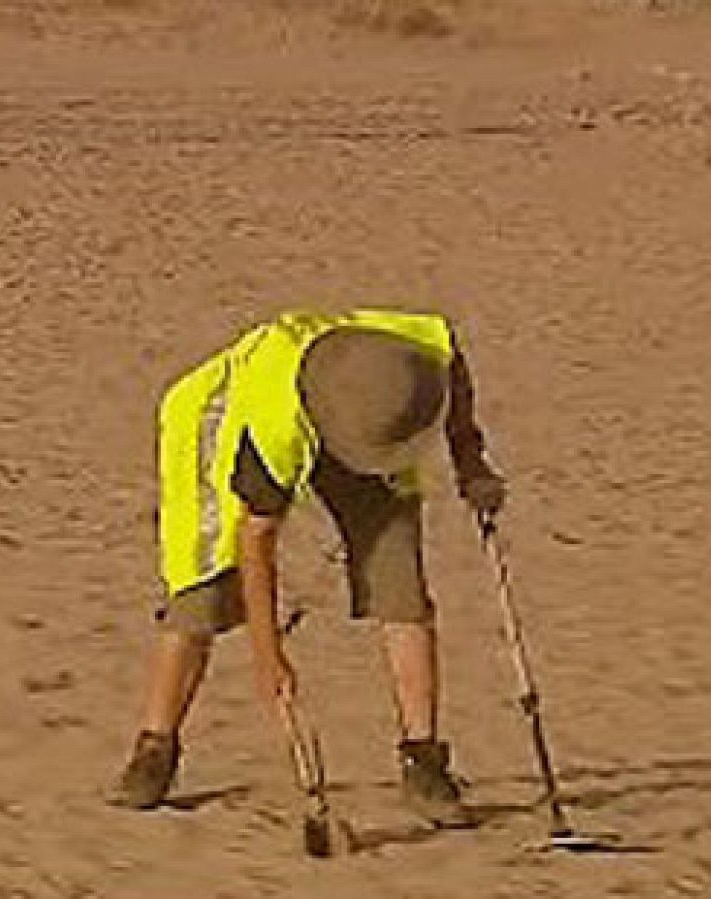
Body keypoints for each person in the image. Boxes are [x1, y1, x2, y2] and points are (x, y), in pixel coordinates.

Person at [111, 309, 507, 826]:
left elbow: (451, 374)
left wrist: (472, 462)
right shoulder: (269, 427)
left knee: (401, 586)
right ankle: (154, 749)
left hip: (367, 416)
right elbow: (256, 542)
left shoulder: (411, 360)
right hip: (222, 420)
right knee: (201, 587)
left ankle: (424, 760)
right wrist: (268, 655)